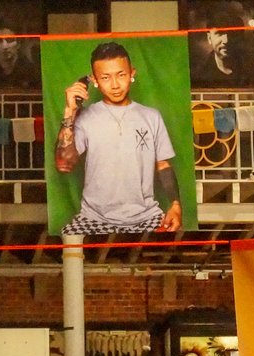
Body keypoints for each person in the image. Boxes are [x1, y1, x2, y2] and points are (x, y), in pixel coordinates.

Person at [55, 41, 183, 234]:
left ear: (132, 74)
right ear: (95, 80)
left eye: (121, 75)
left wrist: (175, 205)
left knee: (172, 245)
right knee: (69, 244)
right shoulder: (84, 118)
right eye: (105, 77)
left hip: (146, 217)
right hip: (94, 218)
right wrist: (69, 112)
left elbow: (163, 164)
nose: (115, 85)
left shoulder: (151, 116)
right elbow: (63, 164)